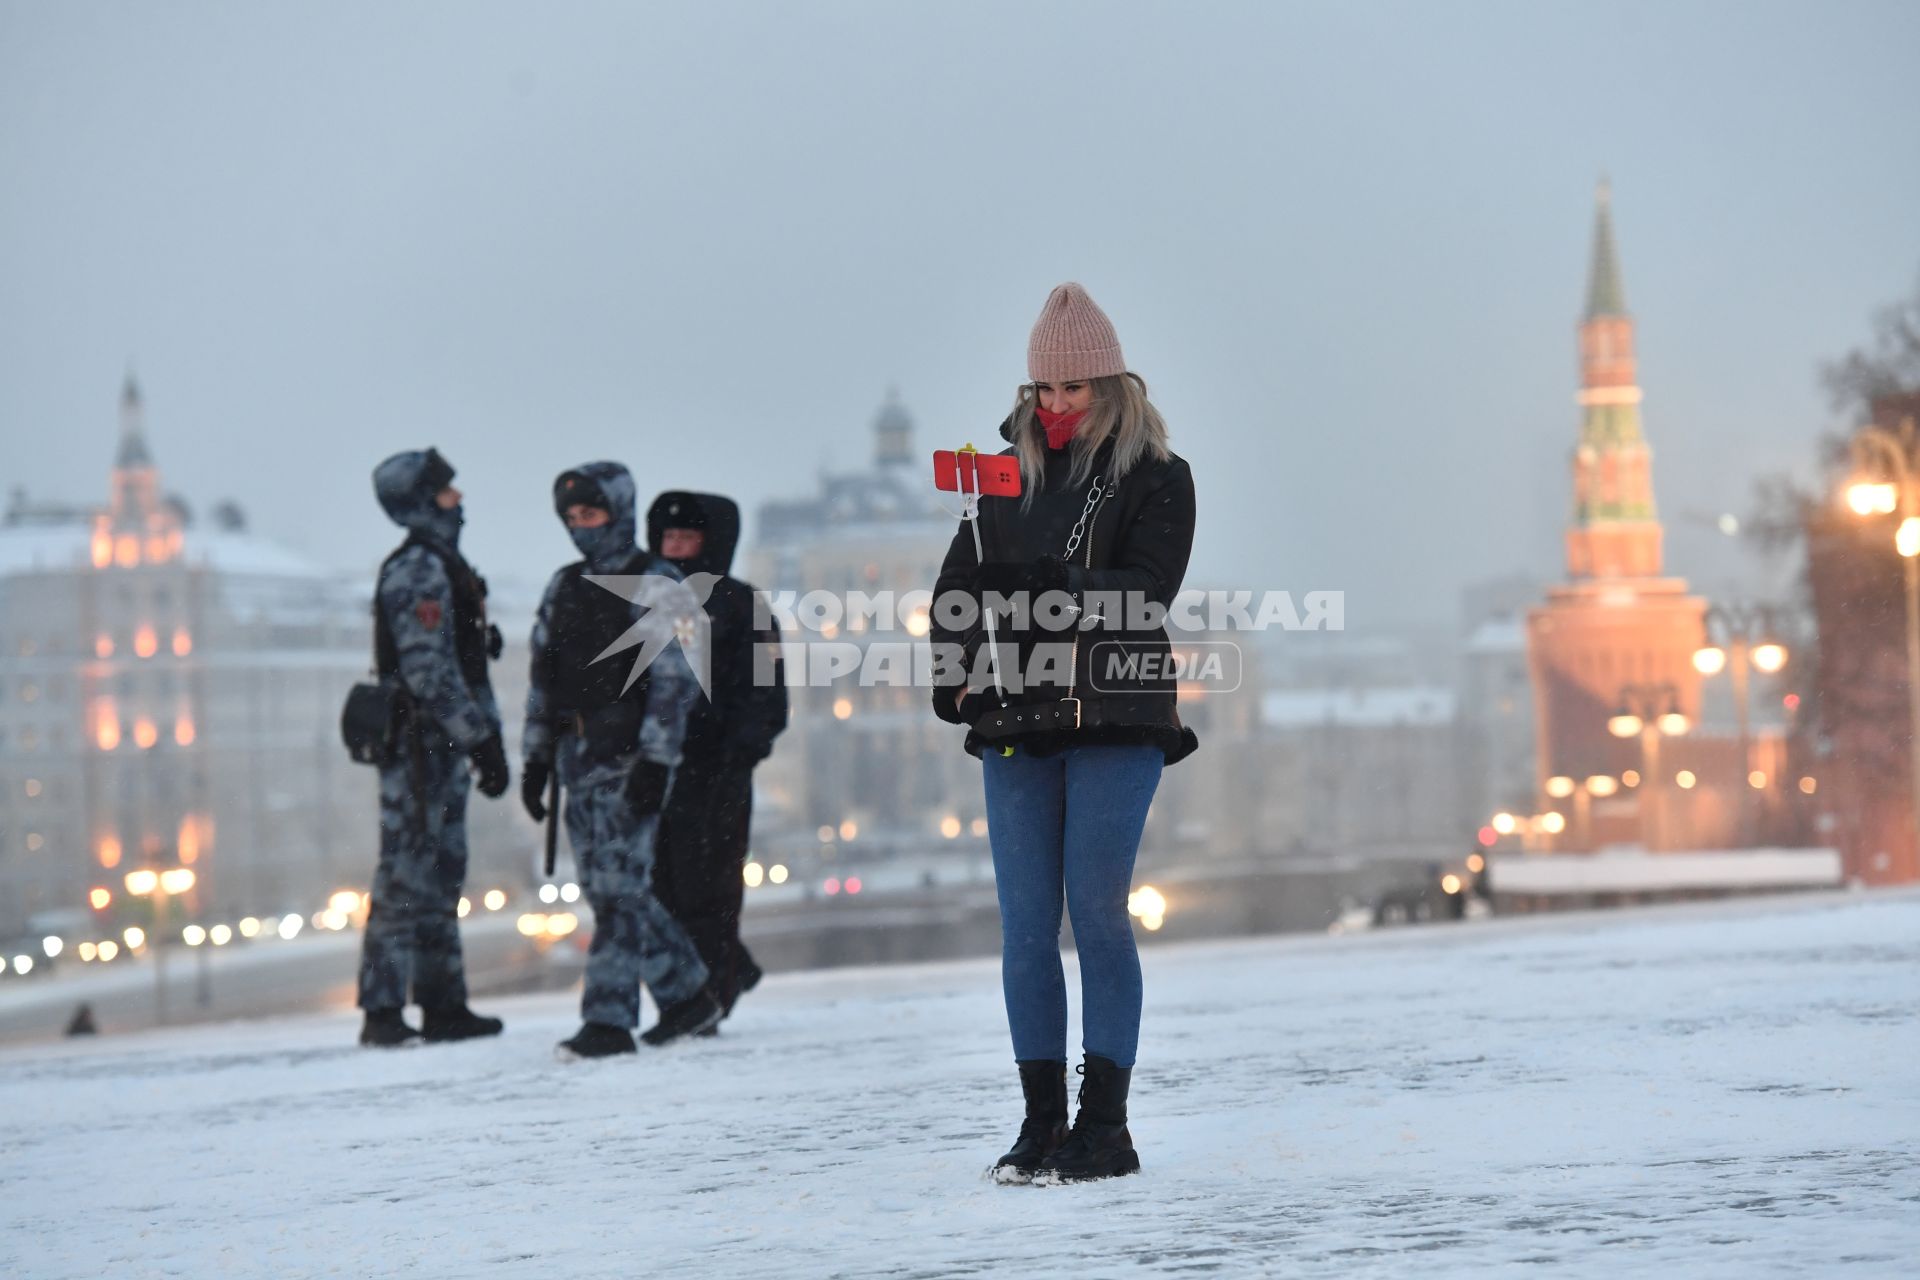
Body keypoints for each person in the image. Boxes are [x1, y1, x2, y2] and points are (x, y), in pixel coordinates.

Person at [930, 283, 1197, 1182]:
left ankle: (1104, 1125)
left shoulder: (1158, 475)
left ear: (1113, 386)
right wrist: (953, 668)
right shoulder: (999, 478)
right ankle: (1041, 1122)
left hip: (1117, 707)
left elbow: (1148, 591)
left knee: (1096, 912)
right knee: (1023, 929)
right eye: (1044, 391)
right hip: (1017, 709)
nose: (1055, 407)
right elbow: (956, 585)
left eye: (1074, 390)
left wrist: (1062, 586)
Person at [522, 462, 724, 1058]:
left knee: (617, 888)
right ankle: (688, 997)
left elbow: (675, 681)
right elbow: (541, 678)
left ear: (619, 511)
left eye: (593, 514)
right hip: (576, 762)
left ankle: (608, 1021)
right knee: (613, 889)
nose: (583, 527)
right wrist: (535, 758)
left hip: (630, 758)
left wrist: (657, 762)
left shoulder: (656, 582)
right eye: (574, 518)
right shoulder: (562, 586)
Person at [358, 448, 511, 1048]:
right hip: (422, 751)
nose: (459, 501)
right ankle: (384, 1010)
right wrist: (481, 740)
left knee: (442, 873)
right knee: (404, 876)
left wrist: (476, 742)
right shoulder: (419, 569)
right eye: (447, 493)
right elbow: (429, 673)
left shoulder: (442, 563)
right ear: (422, 504)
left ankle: (444, 1004)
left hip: (440, 748)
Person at [645, 491, 788, 1021]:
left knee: (710, 886)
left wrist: (741, 750)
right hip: (658, 771)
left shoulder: (743, 605)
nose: (678, 550)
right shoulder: (646, 602)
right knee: (660, 885)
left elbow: (768, 688)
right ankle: (723, 974)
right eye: (669, 539)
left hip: (719, 770)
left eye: (689, 540)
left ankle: (714, 992)